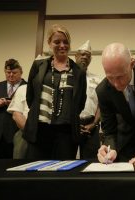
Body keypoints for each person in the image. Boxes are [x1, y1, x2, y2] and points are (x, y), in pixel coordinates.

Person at [23, 24, 87, 159]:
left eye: (65, 42)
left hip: (66, 133)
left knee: (62, 175)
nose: (62, 45)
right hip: (39, 131)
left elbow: (80, 102)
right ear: (49, 44)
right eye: (57, 42)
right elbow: (30, 97)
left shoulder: (78, 72)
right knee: (36, 172)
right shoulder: (38, 66)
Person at [75, 40, 102, 159]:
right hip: (71, 125)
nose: (84, 57)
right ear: (75, 56)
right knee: (68, 159)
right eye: (82, 54)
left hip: (92, 126)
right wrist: (74, 124)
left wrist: (94, 124)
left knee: (91, 161)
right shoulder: (67, 77)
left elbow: (101, 105)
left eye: (88, 55)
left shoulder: (97, 80)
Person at [0, 58, 26, 159]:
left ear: (21, 72)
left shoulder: (28, 87)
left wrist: (14, 105)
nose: (11, 75)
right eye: (8, 72)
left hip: (17, 134)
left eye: (14, 72)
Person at [7, 84, 29, 159]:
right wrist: (29, 131)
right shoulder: (23, 88)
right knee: (19, 164)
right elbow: (16, 114)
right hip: (24, 132)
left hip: (49, 132)